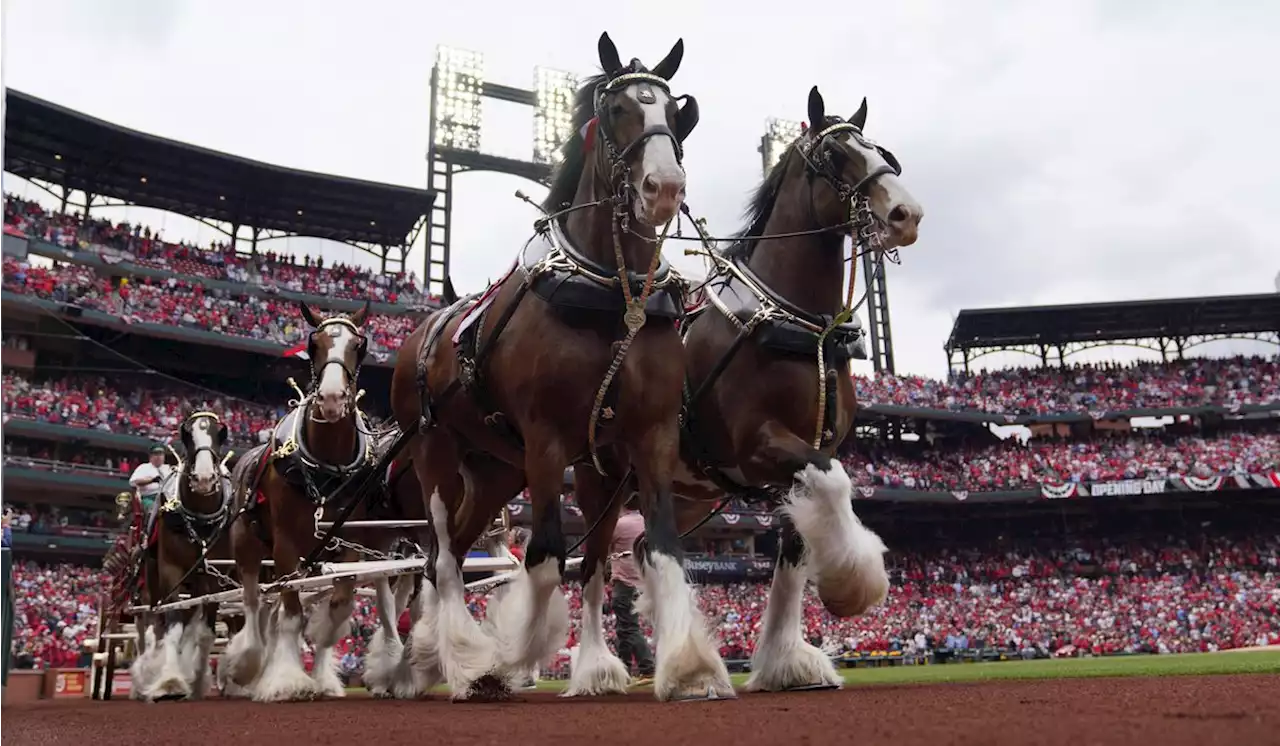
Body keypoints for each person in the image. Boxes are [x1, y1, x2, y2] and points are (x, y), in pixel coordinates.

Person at [609, 503, 654, 684]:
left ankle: (647, 668)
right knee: (623, 629)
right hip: (640, 580)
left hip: (624, 581)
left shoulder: (619, 524)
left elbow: (604, 544)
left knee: (628, 627)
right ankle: (624, 670)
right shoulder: (646, 522)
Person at [129, 444, 172, 521]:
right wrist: (151, 480)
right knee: (153, 511)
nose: (158, 456)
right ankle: (148, 531)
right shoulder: (144, 467)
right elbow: (133, 482)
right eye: (156, 454)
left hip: (168, 498)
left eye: (161, 454)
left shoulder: (169, 469)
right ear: (150, 456)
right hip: (150, 498)